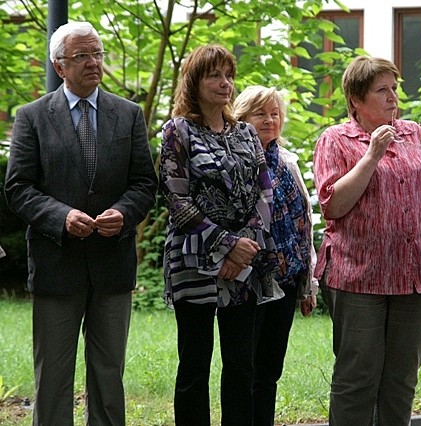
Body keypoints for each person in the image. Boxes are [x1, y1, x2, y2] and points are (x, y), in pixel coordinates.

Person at [4, 21, 157, 425]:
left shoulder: (128, 115)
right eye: (82, 56)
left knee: (109, 375)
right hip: (56, 264)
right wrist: (61, 216)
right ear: (59, 66)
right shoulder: (33, 117)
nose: (93, 63)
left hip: (112, 264)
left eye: (97, 54)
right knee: (53, 377)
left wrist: (124, 213)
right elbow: (18, 187)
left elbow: (145, 183)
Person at [312, 55, 421, 425]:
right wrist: (372, 154)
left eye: (394, 88)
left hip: (414, 277)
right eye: (381, 90)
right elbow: (333, 205)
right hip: (358, 278)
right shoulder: (336, 140)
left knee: (401, 379)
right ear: (356, 99)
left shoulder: (415, 135)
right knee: (357, 378)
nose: (392, 97)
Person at [159, 45, 279, 426]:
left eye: (229, 75)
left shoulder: (246, 133)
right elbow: (176, 199)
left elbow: (266, 192)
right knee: (194, 366)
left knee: (241, 366)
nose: (225, 83)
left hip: (244, 263)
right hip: (193, 260)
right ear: (194, 81)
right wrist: (226, 246)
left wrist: (243, 248)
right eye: (215, 75)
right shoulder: (177, 131)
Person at [233, 85, 318, 425]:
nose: (270, 120)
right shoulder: (236, 160)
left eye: (275, 114)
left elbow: (303, 223)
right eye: (260, 114)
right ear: (242, 117)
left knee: (269, 370)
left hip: (286, 279)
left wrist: (308, 285)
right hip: (247, 280)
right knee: (244, 369)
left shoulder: (287, 162)